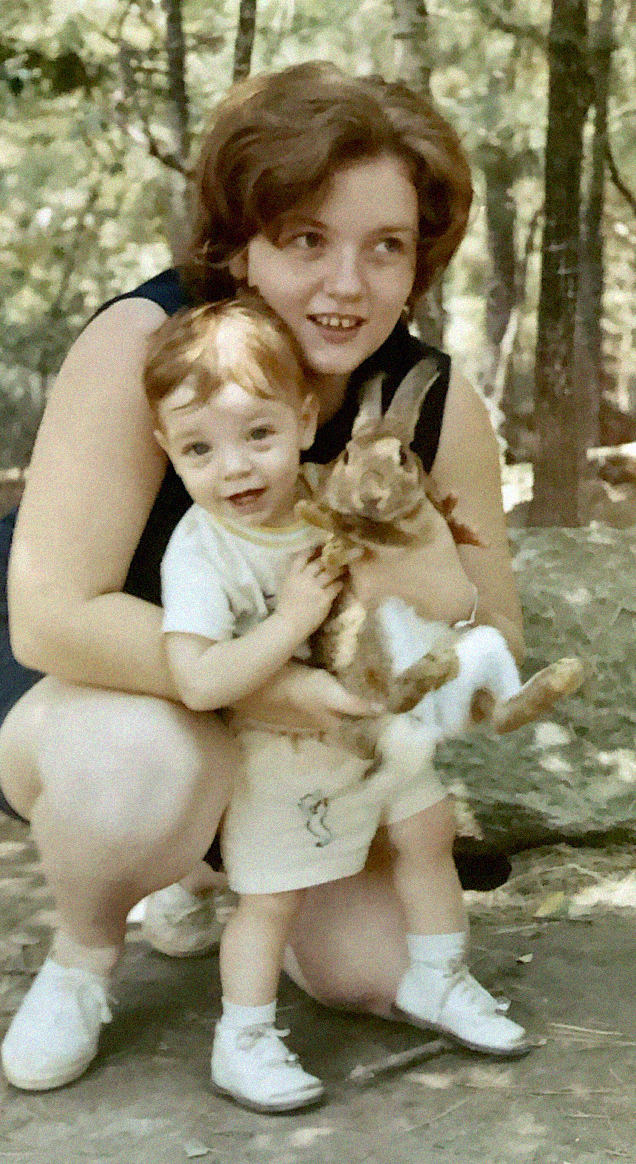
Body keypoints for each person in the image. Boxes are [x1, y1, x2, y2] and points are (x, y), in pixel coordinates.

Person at [0, 60, 525, 1094]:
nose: (348, 285)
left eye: (385, 246)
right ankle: (85, 952)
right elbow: (52, 618)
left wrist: (428, 579)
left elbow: (497, 632)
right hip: (80, 681)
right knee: (151, 766)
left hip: (287, 717)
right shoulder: (147, 342)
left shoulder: (433, 400)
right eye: (307, 239)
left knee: (374, 971)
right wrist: (275, 687)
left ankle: (207, 868)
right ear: (241, 245)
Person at [144, 296, 530, 1113]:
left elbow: (418, 578)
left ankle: (438, 976)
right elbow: (199, 680)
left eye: (258, 434)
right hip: (280, 751)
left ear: (303, 420)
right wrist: (289, 622)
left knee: (429, 829)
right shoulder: (201, 551)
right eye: (199, 448)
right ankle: (243, 1038)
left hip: (373, 730)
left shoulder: (332, 496)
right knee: (271, 900)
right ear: (166, 449)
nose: (235, 468)